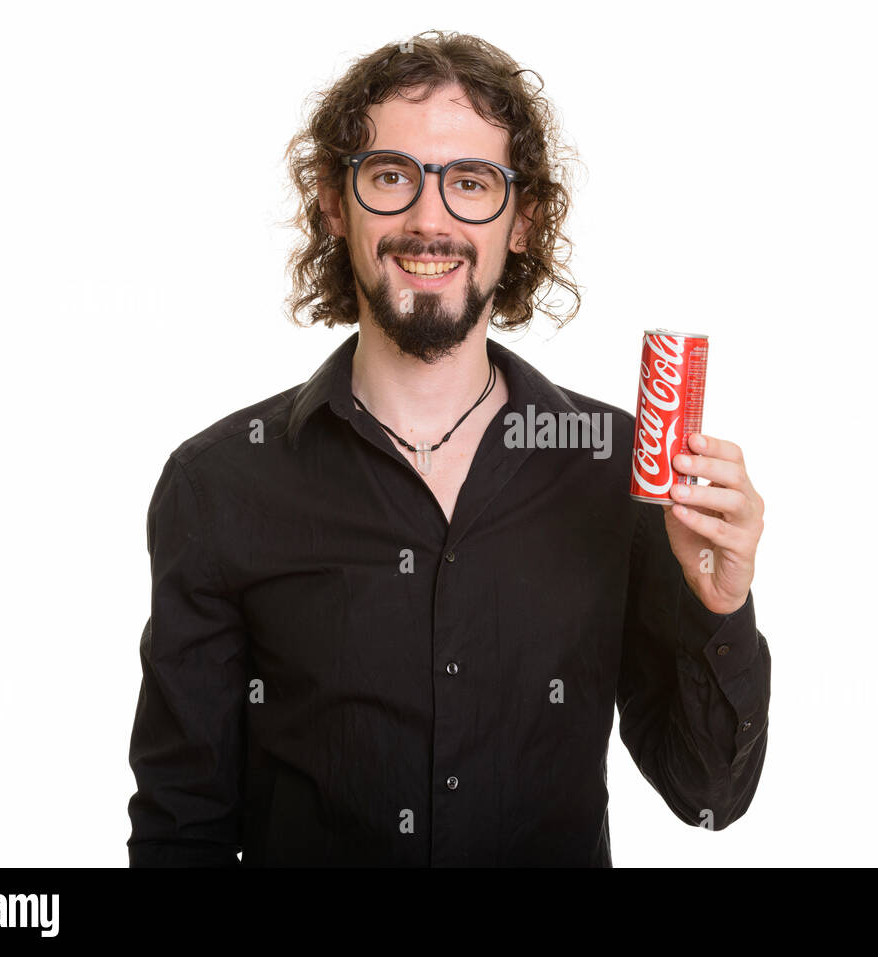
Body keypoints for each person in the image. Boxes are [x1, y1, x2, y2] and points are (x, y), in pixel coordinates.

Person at [127, 30, 770, 867]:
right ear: (334, 202)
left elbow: (709, 796)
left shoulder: (615, 468)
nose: (429, 221)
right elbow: (182, 830)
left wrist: (716, 609)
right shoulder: (217, 486)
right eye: (391, 176)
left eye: (471, 183)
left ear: (524, 221)